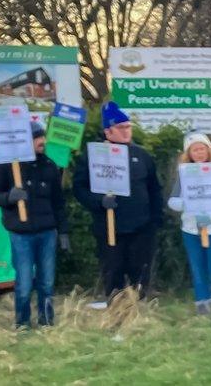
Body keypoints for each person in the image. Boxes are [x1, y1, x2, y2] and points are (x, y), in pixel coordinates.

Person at [72, 102, 163, 301]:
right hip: (110, 228)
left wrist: (156, 220)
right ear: (108, 131)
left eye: (128, 127)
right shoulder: (94, 156)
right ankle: (116, 310)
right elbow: (79, 188)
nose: (126, 132)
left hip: (141, 228)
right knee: (113, 272)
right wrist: (99, 201)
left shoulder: (142, 155)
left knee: (140, 272)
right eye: (121, 128)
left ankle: (139, 311)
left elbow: (154, 189)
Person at [0, 121, 69, 328]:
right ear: (25, 141)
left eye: (42, 137)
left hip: (47, 233)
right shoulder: (7, 166)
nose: (42, 141)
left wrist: (63, 232)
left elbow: (58, 203)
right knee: (24, 283)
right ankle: (22, 323)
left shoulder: (49, 166)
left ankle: (47, 322)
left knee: (47, 282)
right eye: (36, 138)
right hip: (21, 234)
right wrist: (9, 197)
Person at [167, 133, 211, 315]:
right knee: (198, 269)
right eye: (195, 149)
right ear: (189, 153)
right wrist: (186, 204)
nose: (199, 153)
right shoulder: (185, 173)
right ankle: (202, 303)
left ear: (209, 149)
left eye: (202, 148)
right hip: (191, 229)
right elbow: (173, 200)